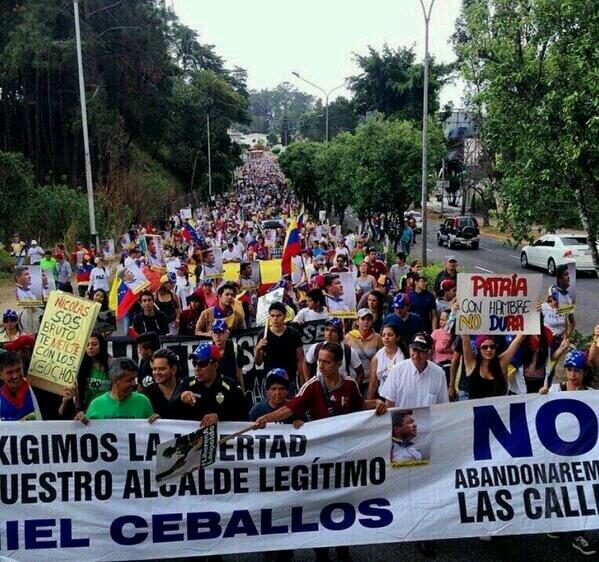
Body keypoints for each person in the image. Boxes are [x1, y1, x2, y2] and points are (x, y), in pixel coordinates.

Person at [539, 349, 597, 556]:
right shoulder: (554, 390)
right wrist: (539, 398)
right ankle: (557, 523)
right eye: (569, 370)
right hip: (556, 453)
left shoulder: (591, 395)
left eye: (577, 371)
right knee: (557, 489)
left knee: (580, 492)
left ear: (584, 372)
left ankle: (577, 534)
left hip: (581, 455)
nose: (573, 375)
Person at [254, 341, 386, 422]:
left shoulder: (350, 384)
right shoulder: (312, 386)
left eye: (326, 362)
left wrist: (376, 403)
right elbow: (290, 408)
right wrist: (266, 418)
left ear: (338, 364)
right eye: (319, 361)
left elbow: (359, 405)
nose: (320, 366)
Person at [169, 343, 248, 424]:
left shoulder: (231, 387)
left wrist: (220, 417)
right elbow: (169, 410)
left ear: (215, 365)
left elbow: (244, 416)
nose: (197, 368)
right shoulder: (187, 384)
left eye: (202, 364)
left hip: (223, 435)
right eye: (194, 363)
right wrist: (180, 397)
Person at [76, 358, 157, 423]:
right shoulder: (96, 404)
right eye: (129, 380)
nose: (134, 384)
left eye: (134, 378)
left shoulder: (143, 402)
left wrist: (158, 422)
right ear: (115, 380)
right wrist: (78, 422)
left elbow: (153, 433)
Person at [380, 333, 449, 409]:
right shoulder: (396, 370)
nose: (416, 355)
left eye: (421, 351)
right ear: (409, 348)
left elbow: (442, 406)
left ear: (430, 352)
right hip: (402, 420)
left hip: (428, 420)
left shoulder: (439, 374)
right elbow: (389, 404)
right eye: (414, 350)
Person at [255, 302, 306, 387]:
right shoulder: (263, 335)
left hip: (290, 379)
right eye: (272, 315)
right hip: (271, 380)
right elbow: (258, 362)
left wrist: (302, 380)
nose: (275, 319)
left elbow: (300, 359)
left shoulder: (293, 333)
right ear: (269, 316)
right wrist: (257, 349)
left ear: (285, 316)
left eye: (278, 316)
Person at [460, 333, 525, 399]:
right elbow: (464, 336)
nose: (489, 350)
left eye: (492, 347)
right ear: (479, 349)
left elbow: (520, 338)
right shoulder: (472, 364)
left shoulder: (501, 362)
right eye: (484, 347)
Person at [304, 317, 364, 383]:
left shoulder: (349, 351)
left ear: (339, 333)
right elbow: (306, 363)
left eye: (333, 331)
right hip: (320, 389)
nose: (329, 334)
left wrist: (352, 389)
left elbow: (360, 373)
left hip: (341, 389)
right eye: (327, 329)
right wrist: (308, 382)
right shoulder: (316, 347)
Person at [72, 332, 112, 414]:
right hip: (89, 412)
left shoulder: (112, 364)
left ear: (101, 346)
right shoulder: (81, 366)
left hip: (109, 411)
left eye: (94, 344)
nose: (90, 347)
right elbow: (79, 395)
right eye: (87, 345)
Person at [344, 309, 383, 391]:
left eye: (369, 319)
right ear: (357, 321)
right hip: (352, 378)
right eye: (363, 319)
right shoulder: (348, 337)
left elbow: (382, 358)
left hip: (370, 379)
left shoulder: (378, 337)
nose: (366, 321)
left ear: (372, 321)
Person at [367, 323, 406, 399]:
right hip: (382, 396)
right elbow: (372, 385)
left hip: (400, 396)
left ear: (397, 337)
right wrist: (367, 404)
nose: (386, 337)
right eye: (383, 335)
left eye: (390, 335)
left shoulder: (404, 356)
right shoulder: (376, 358)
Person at [0, 351, 42, 420]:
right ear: (0, 375)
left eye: (18, 370)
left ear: (22, 367)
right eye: (10, 372)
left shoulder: (37, 390)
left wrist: (64, 403)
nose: (15, 376)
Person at [143, 348, 179, 418]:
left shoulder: (186, 388)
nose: (156, 373)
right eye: (154, 369)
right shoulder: (147, 394)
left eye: (162, 369)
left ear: (174, 369)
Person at [211, 319, 245, 392]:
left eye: (221, 332)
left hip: (231, 389)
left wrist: (242, 394)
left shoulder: (237, 349)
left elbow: (239, 376)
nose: (217, 336)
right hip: (213, 390)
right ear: (211, 334)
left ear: (227, 334)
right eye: (215, 333)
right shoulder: (207, 350)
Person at [430, 309, 454, 379]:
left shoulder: (457, 335)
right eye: (440, 319)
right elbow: (430, 351)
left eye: (444, 320)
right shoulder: (436, 333)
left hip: (453, 368)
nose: (440, 322)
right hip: (438, 367)